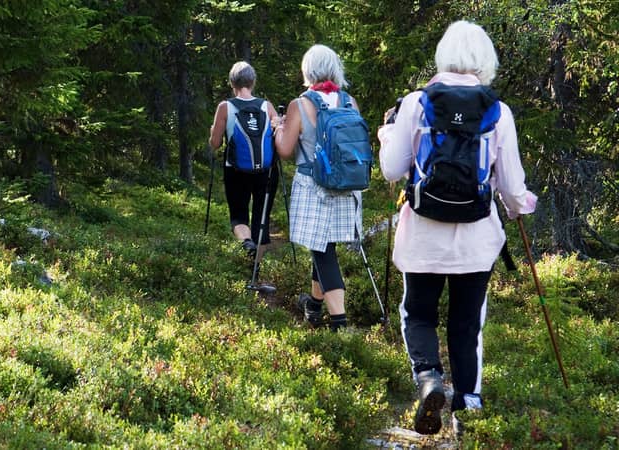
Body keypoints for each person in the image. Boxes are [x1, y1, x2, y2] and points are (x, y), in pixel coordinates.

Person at [378, 20, 537, 436]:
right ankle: (468, 406)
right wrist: (522, 206)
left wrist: (387, 133)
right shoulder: (498, 112)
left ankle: (430, 378)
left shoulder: (416, 103)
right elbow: (512, 187)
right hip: (476, 239)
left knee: (418, 313)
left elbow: (392, 170)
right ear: (486, 61)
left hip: (423, 235)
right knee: (467, 323)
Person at [274, 44, 363, 332]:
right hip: (347, 188)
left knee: (323, 253)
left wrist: (278, 129)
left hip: (315, 187)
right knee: (323, 245)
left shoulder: (300, 104)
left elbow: (286, 150)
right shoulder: (350, 102)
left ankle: (340, 323)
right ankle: (313, 305)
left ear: (307, 70)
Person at [209, 61, 279, 259]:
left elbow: (215, 144)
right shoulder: (266, 106)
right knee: (261, 217)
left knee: (239, 215)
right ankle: (256, 272)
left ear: (232, 82)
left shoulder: (225, 107)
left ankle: (246, 243)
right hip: (266, 171)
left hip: (235, 171)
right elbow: (277, 133)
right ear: (253, 81)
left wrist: (212, 133)